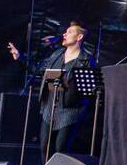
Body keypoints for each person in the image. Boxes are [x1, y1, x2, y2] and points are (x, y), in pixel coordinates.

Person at [8, 21, 95, 155]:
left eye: (70, 32)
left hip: (70, 109)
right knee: (44, 146)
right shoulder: (56, 55)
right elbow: (38, 69)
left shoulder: (86, 60)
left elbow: (89, 91)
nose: (65, 34)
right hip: (50, 106)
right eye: (65, 32)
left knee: (61, 147)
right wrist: (20, 58)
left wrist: (70, 84)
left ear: (79, 37)